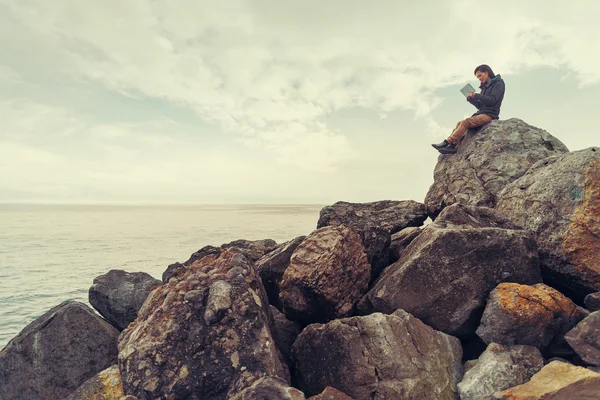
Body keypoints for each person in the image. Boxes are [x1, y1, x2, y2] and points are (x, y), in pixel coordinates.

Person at [432, 64, 505, 154]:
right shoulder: (484, 87)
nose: (479, 79)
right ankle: (452, 146)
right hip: (482, 113)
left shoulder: (499, 83)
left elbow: (492, 100)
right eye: (478, 77)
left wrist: (477, 95)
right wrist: (472, 100)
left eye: (480, 75)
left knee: (465, 122)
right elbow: (480, 106)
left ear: (486, 72)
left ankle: (448, 142)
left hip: (490, 115)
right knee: (459, 123)